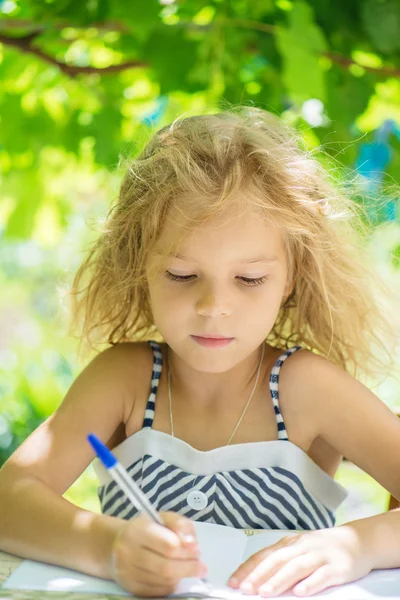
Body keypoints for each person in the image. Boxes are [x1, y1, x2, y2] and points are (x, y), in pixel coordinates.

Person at [0, 105, 399, 598]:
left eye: (249, 279)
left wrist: (354, 545)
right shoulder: (123, 379)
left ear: (292, 276)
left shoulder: (308, 390)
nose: (213, 307)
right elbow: (8, 499)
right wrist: (112, 548)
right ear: (140, 264)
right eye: (182, 276)